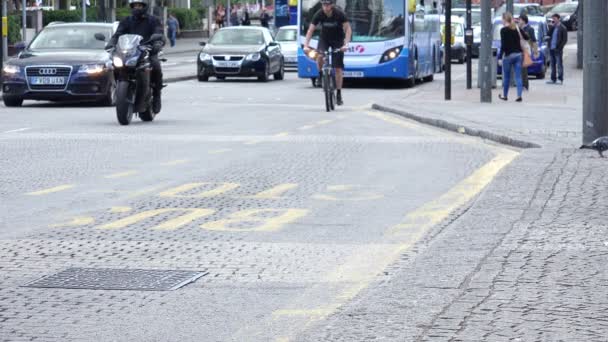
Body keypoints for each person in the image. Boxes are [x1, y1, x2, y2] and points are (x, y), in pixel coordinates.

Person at [107, 0, 165, 114]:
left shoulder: (153, 20)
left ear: (144, 6)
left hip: (147, 50)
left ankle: (157, 94)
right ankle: (118, 89)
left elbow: (159, 32)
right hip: (130, 52)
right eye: (135, 6)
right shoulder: (126, 21)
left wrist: (157, 43)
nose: (137, 8)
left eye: (139, 6)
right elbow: (118, 34)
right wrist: (111, 43)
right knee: (115, 64)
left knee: (156, 66)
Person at [303, 0, 352, 106]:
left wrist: (346, 44)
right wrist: (306, 45)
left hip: (338, 40)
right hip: (324, 39)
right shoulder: (319, 14)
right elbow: (310, 30)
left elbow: (348, 29)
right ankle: (321, 75)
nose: (325, 7)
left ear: (332, 5)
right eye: (323, 4)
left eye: (328, 4)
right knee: (320, 55)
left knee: (338, 68)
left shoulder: (339, 14)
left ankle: (338, 93)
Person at [498, 12, 529, 102]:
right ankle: (519, 96)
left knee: (507, 77)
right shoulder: (517, 28)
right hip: (518, 55)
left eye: (502, 18)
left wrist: (500, 57)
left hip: (508, 56)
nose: (501, 20)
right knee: (518, 76)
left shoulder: (503, 30)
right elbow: (527, 37)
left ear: (504, 19)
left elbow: (503, 45)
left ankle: (505, 96)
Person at [546, 13, 567, 85]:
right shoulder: (552, 27)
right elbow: (548, 35)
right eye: (553, 19)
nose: (553, 20)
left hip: (558, 49)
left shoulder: (563, 28)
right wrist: (551, 27)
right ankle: (553, 79)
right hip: (551, 48)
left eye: (555, 18)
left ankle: (560, 79)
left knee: (559, 64)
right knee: (552, 64)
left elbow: (564, 40)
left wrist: (560, 47)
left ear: (558, 19)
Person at [518, 14, 536, 91]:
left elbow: (534, 41)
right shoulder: (519, 28)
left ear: (523, 20)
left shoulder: (530, 29)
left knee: (523, 68)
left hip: (526, 50)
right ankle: (522, 84)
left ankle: (525, 85)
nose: (519, 21)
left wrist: (535, 51)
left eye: (520, 19)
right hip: (520, 50)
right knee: (521, 68)